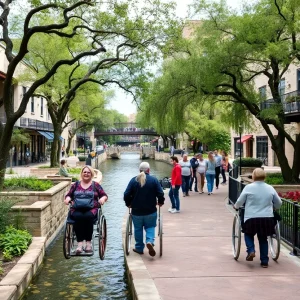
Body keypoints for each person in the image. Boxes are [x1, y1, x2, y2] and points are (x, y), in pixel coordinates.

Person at [234, 168, 282, 268]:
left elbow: (240, 201)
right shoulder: (270, 188)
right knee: (263, 238)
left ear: (254, 176)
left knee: (248, 234)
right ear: (264, 176)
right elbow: (279, 203)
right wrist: (274, 208)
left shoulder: (248, 187)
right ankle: (264, 261)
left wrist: (236, 206)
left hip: (251, 217)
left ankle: (251, 250)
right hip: (267, 218)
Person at [64, 165, 108, 254]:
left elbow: (104, 195)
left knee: (88, 217)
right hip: (77, 208)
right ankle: (79, 244)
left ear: (91, 174)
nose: (86, 174)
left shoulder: (95, 185)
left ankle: (88, 243)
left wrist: (102, 199)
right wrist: (68, 198)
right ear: (82, 173)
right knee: (77, 217)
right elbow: (68, 195)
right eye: (84, 172)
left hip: (92, 209)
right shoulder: (76, 185)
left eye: (88, 172)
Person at [124, 162, 164, 256]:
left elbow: (126, 194)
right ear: (148, 170)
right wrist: (160, 202)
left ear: (139, 170)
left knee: (138, 229)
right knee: (150, 227)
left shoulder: (133, 180)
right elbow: (160, 193)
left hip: (136, 211)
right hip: (150, 210)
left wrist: (128, 204)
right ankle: (149, 241)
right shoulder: (154, 180)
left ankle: (139, 248)